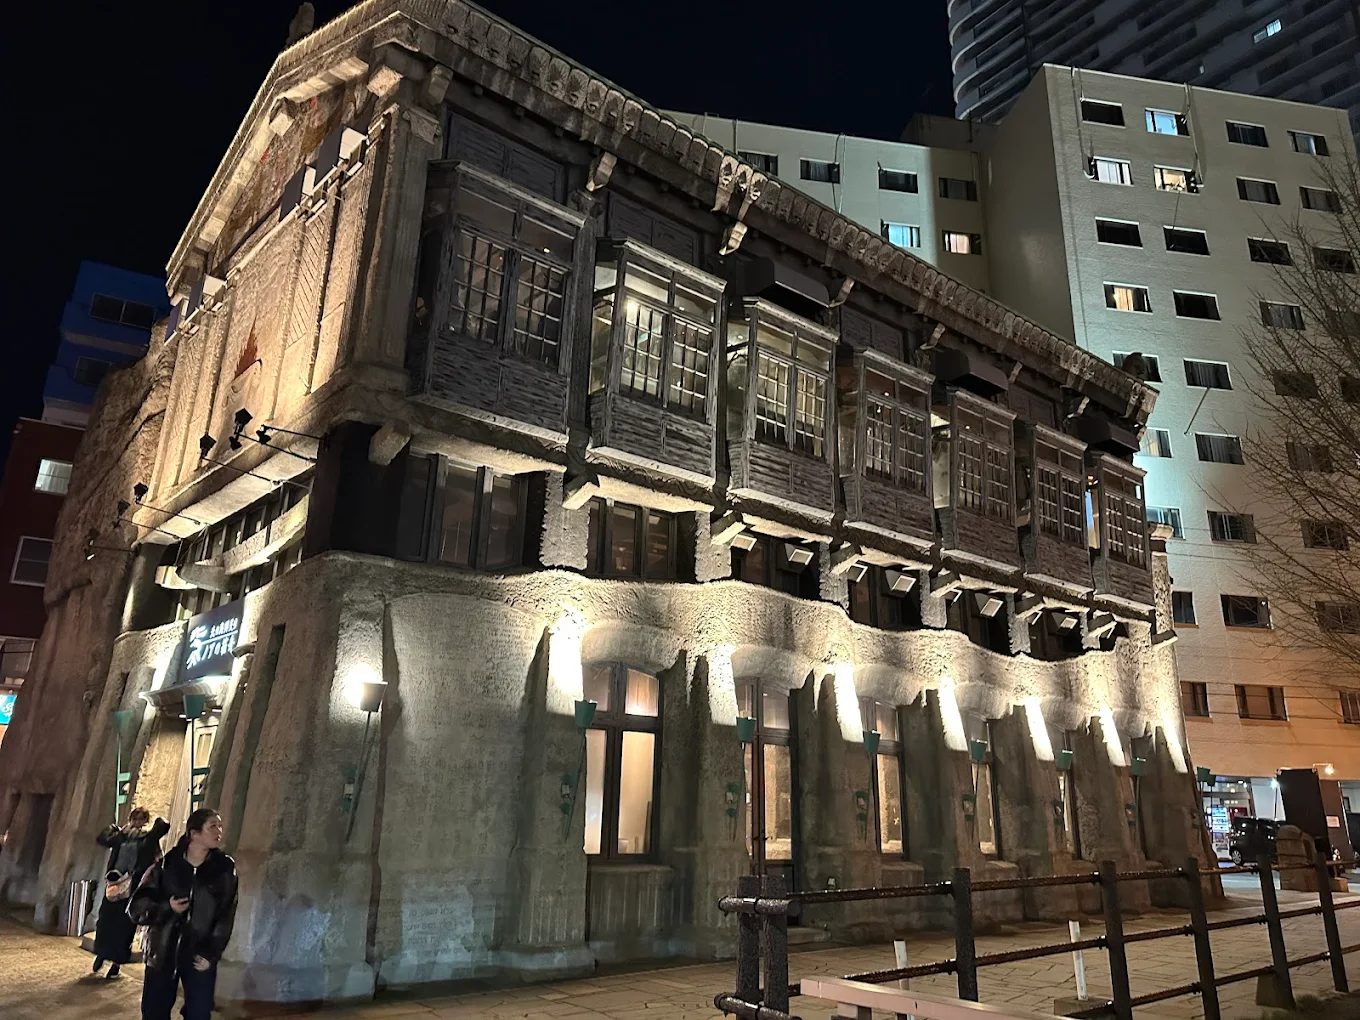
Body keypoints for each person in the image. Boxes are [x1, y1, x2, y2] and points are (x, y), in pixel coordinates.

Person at [129, 808, 238, 1020]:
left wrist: (211, 953)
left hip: (199, 954)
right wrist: (167, 908)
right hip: (163, 952)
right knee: (154, 1012)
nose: (219, 831)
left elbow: (226, 914)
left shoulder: (224, 869)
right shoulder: (167, 865)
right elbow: (137, 907)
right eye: (212, 826)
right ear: (194, 833)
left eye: (220, 826)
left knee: (199, 1013)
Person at [93, 807, 169, 978]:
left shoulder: (147, 838)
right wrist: (115, 830)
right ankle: (102, 953)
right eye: (135, 818)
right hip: (115, 883)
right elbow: (103, 840)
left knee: (125, 925)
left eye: (141, 819)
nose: (137, 822)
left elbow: (161, 838)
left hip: (133, 887)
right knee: (106, 920)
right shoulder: (121, 836)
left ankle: (116, 962)